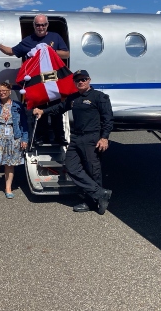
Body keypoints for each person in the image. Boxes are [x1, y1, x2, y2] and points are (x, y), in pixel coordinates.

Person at [33, 70, 114, 215]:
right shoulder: (73, 98)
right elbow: (59, 108)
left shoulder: (99, 97)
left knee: (93, 170)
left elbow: (108, 118)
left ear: (89, 80)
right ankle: (100, 193)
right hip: (76, 138)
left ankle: (93, 201)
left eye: (83, 79)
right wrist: (43, 111)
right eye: (77, 80)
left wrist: (104, 137)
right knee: (71, 167)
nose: (80, 82)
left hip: (92, 138)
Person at [0, 14, 69, 146]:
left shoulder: (55, 37)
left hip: (52, 80)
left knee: (56, 110)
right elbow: (11, 51)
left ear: (47, 25)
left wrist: (49, 50)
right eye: (38, 25)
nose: (41, 27)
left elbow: (66, 54)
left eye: (43, 24)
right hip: (37, 81)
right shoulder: (28, 40)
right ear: (34, 26)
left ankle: (59, 137)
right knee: (39, 110)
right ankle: (41, 138)